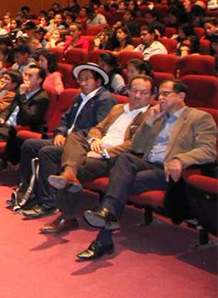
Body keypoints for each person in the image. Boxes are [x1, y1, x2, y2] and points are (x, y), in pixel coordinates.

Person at [78, 80, 217, 260]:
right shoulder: (158, 116)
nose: (161, 99)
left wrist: (180, 159)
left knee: (120, 184)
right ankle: (107, 220)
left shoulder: (199, 118)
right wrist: (149, 123)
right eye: (160, 94)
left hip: (167, 170)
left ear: (181, 96)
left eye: (166, 94)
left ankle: (104, 235)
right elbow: (136, 147)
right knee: (125, 159)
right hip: (147, 163)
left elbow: (208, 151)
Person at [38, 75, 155, 235]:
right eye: (134, 91)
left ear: (152, 96)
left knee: (79, 165)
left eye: (144, 93)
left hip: (115, 157)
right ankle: (61, 183)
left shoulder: (151, 116)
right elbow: (98, 128)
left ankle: (67, 216)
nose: (137, 96)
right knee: (62, 144)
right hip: (95, 147)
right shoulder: (118, 108)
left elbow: (135, 143)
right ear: (128, 90)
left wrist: (104, 153)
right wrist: (95, 140)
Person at [13, 63, 117, 219]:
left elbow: (99, 128)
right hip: (66, 140)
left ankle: (48, 203)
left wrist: (70, 138)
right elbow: (65, 118)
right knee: (29, 145)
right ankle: (27, 191)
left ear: (99, 82)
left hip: (81, 145)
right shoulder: (79, 96)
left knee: (47, 152)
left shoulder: (105, 99)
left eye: (87, 79)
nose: (82, 83)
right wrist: (60, 133)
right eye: (80, 79)